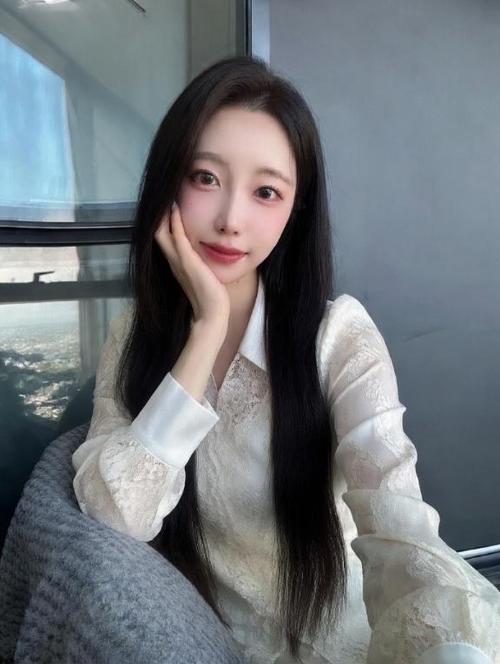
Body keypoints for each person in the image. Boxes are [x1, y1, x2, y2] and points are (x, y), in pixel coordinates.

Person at [71, 55, 500, 664]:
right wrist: (206, 329)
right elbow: (115, 514)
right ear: (168, 183)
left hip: (352, 643)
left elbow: (398, 524)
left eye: (266, 191)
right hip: (213, 647)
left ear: (294, 211)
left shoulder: (338, 336)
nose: (230, 220)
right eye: (204, 177)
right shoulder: (133, 338)